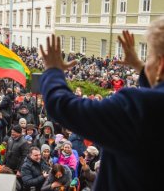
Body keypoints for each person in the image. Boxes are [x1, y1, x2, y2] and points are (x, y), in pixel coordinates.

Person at [39, 17, 164, 191]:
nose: (145, 63)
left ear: (161, 64)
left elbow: (62, 106)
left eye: (148, 57)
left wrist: (53, 70)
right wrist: (139, 66)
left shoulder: (136, 107)